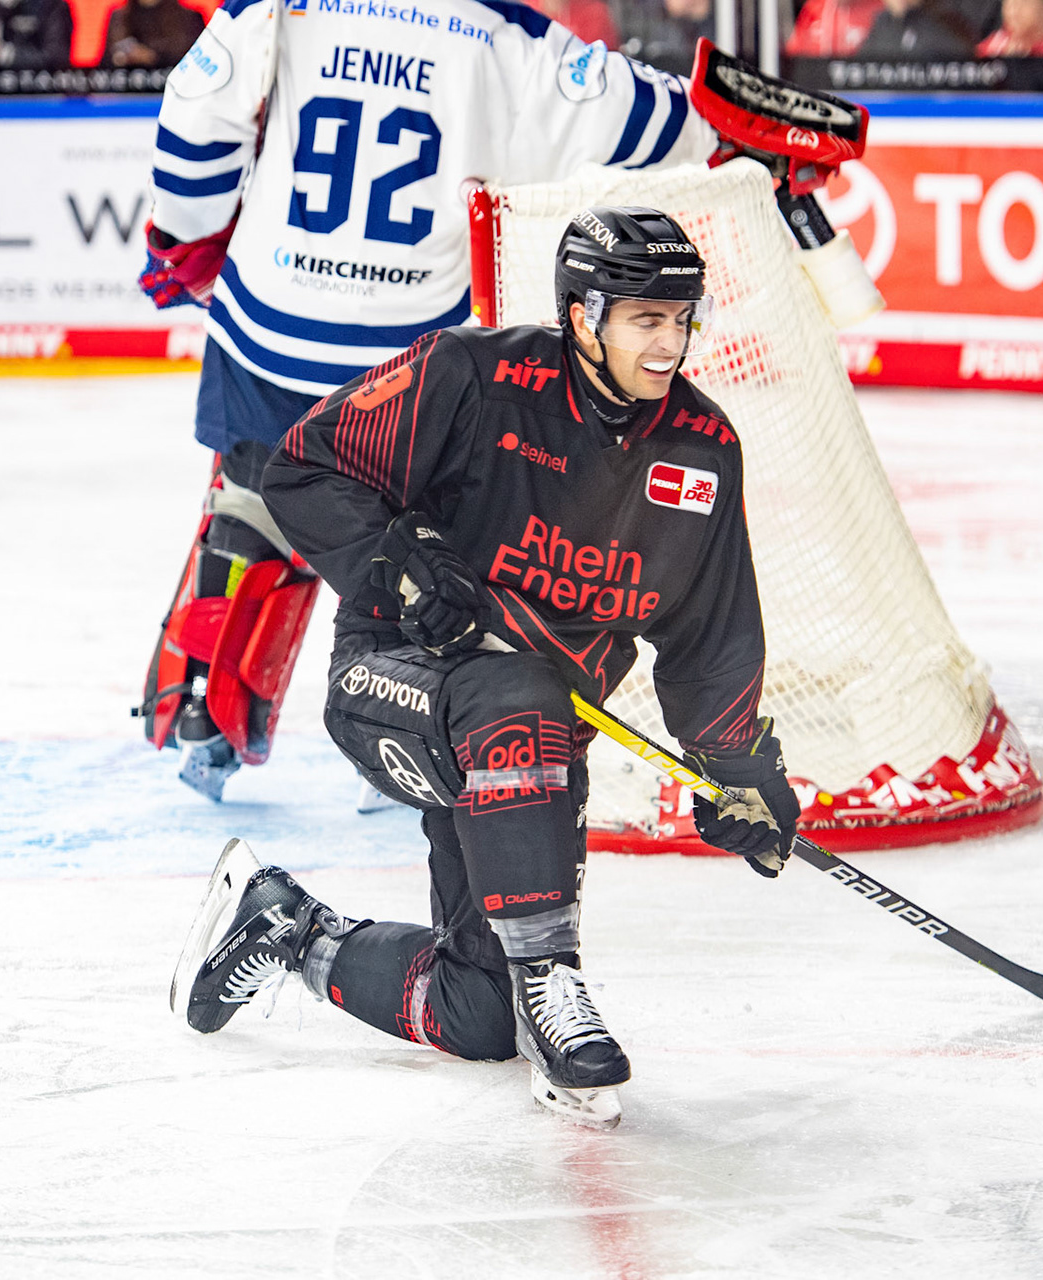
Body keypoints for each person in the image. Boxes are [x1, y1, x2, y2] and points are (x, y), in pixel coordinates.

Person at [166, 207, 802, 1128]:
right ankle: (553, 981)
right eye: (645, 320)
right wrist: (405, 560)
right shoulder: (474, 375)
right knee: (525, 700)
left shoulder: (701, 451)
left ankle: (283, 927)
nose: (670, 343)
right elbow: (302, 469)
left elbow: (714, 635)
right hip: (395, 677)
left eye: (680, 319)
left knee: (478, 1014)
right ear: (583, 316)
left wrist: (738, 770)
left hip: (525, 746)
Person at [134, 0, 719, 802]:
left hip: (270, 325)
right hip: (408, 358)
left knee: (255, 501)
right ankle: (404, 739)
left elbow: (198, 112)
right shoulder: (506, 33)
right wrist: (725, 119)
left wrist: (184, 234)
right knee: (422, 544)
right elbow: (649, 121)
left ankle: (205, 705)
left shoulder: (279, 6)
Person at [100, 0, 206, 67]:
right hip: (126, 91)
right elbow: (103, 65)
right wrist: (119, 58)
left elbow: (200, 63)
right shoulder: (119, 19)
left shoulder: (189, 19)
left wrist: (154, 57)